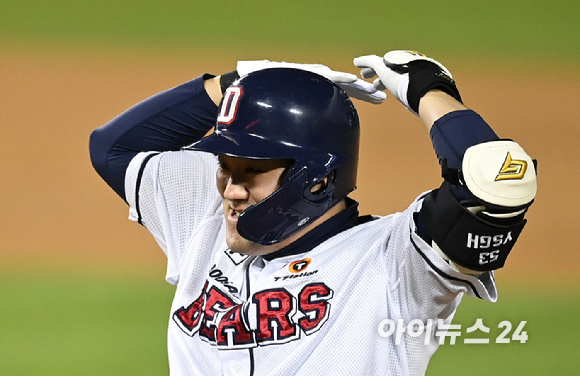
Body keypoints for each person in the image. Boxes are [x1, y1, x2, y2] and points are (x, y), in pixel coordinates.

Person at [89, 50, 537, 376]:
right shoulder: (207, 219)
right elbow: (114, 148)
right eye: (226, 169)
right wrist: (241, 82)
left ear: (318, 180)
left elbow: (498, 182)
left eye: (254, 172)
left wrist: (428, 90)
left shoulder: (397, 265)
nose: (233, 190)